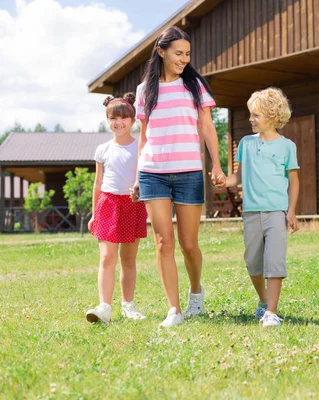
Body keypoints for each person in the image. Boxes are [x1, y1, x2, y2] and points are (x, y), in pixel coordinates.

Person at [132, 26, 225, 328]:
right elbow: (144, 136)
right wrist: (137, 176)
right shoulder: (145, 90)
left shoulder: (195, 85)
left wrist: (217, 165)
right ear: (161, 51)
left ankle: (195, 293)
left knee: (188, 243)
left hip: (188, 172)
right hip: (153, 172)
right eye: (178, 53)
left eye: (187, 54)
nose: (184, 59)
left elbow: (208, 128)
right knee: (163, 242)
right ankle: (174, 309)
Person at [215, 87, 299, 327]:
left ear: (272, 116)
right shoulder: (246, 144)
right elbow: (238, 177)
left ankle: (271, 312)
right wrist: (224, 181)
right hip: (251, 213)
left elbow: (294, 180)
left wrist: (291, 211)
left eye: (255, 115)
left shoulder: (287, 146)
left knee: (274, 261)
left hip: (276, 212)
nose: (250, 119)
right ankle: (263, 301)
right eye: (250, 114)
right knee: (253, 262)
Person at [86, 93, 148, 324]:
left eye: (123, 118)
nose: (118, 122)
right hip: (108, 205)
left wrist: (140, 191)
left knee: (128, 259)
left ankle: (128, 306)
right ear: (107, 120)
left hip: (133, 205)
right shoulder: (102, 149)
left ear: (133, 120)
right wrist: (94, 213)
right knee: (106, 257)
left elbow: (146, 176)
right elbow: (98, 183)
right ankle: (104, 307)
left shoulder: (141, 147)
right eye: (113, 118)